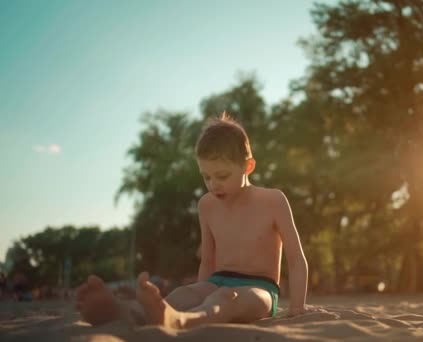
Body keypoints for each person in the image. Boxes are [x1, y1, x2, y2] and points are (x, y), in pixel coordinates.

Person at [76, 113, 311, 329]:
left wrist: (297, 306)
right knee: (184, 294)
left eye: (222, 176)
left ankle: (184, 321)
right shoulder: (206, 205)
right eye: (206, 176)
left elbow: (296, 258)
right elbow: (207, 262)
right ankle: (129, 313)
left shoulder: (273, 200)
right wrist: (199, 292)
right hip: (218, 280)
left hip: (260, 288)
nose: (213, 184)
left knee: (225, 300)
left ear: (248, 167)